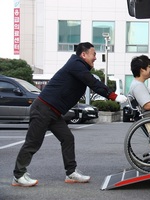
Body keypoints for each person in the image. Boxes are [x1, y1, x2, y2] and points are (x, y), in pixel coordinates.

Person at [12, 42, 127, 187]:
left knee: (67, 138)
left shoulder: (80, 67)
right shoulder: (76, 64)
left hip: (53, 112)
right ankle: (18, 175)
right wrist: (113, 96)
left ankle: (71, 173)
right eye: (94, 54)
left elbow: (90, 82)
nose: (96, 58)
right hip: (43, 109)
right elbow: (92, 82)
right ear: (83, 55)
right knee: (33, 142)